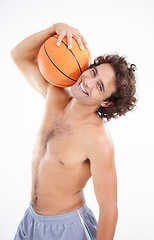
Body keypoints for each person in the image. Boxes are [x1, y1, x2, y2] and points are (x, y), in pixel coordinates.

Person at [11, 23, 137, 240]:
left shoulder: (98, 139)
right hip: (30, 221)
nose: (87, 81)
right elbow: (18, 56)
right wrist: (54, 28)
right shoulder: (54, 95)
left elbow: (109, 208)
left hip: (67, 229)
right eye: (94, 72)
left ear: (106, 103)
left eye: (99, 86)